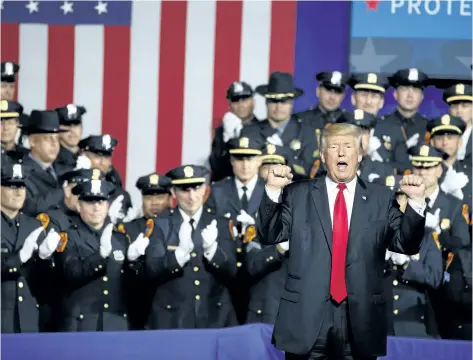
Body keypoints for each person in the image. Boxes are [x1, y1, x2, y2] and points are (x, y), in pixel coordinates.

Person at [257, 123, 426, 359]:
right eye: (334, 146)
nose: (341, 152)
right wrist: (273, 191)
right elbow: (269, 235)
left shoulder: (381, 198)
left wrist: (416, 204)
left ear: (360, 154)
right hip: (306, 319)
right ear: (324, 155)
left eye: (348, 146)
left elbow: (406, 244)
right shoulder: (297, 194)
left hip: (360, 320)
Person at [209, 81, 259, 182]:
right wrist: (228, 139)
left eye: (244, 99)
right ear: (230, 105)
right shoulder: (221, 132)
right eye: (235, 100)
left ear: (253, 102)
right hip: (228, 187)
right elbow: (215, 166)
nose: (240, 104)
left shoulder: (263, 128)